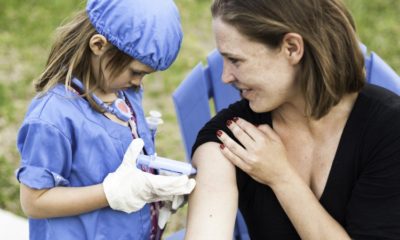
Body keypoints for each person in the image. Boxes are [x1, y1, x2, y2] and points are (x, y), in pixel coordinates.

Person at [185, 0, 400, 239]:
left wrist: (282, 177)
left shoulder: (388, 128)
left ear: (292, 48)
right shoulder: (234, 136)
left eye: (236, 60)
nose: (225, 76)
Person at [15, 0, 196, 239]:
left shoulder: (123, 95)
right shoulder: (53, 118)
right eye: (136, 72)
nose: (138, 83)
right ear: (98, 45)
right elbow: (34, 202)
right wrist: (109, 193)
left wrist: (153, 184)